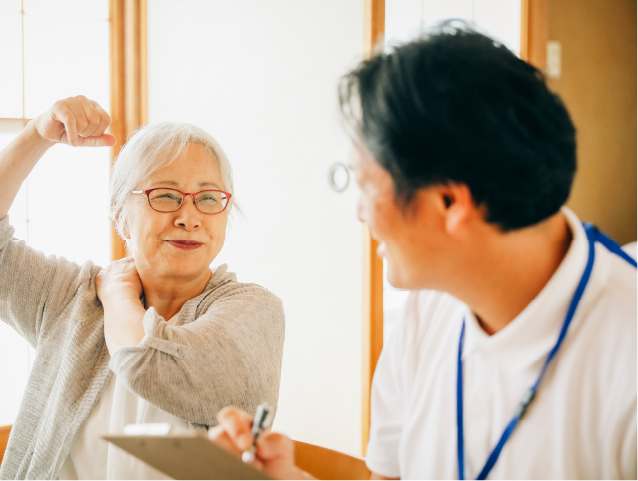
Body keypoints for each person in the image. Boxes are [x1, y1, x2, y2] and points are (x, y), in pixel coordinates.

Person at [209, 27, 638, 481]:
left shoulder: (624, 361)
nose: (360, 213)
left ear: (450, 202)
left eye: (366, 184)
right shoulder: (428, 306)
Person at [0, 96, 285, 481]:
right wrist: (38, 134)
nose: (189, 217)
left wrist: (118, 293)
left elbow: (149, 364)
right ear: (120, 214)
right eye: (165, 195)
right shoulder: (74, 297)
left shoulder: (255, 311)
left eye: (208, 198)